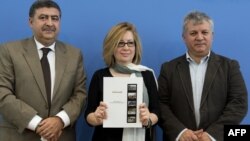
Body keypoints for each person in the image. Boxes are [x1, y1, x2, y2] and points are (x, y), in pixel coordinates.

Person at [0, 0, 87, 141]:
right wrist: (38, 124)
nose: (49, 23)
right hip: (19, 136)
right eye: (43, 17)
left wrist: (60, 120)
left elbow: (80, 95)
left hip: (62, 135)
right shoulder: (9, 51)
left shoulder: (74, 54)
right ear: (30, 22)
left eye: (55, 18)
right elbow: (2, 93)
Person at [158, 10, 248, 141]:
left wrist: (212, 135)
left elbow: (239, 103)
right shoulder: (168, 68)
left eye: (204, 32)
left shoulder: (230, 66)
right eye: (193, 33)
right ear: (184, 37)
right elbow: (161, 104)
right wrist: (180, 132)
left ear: (212, 35)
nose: (199, 37)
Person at [84, 22, 159, 141]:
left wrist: (148, 118)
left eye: (130, 43)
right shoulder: (99, 76)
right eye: (120, 43)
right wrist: (96, 117)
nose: (126, 47)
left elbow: (156, 111)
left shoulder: (147, 75)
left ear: (136, 47)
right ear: (111, 47)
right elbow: (88, 114)